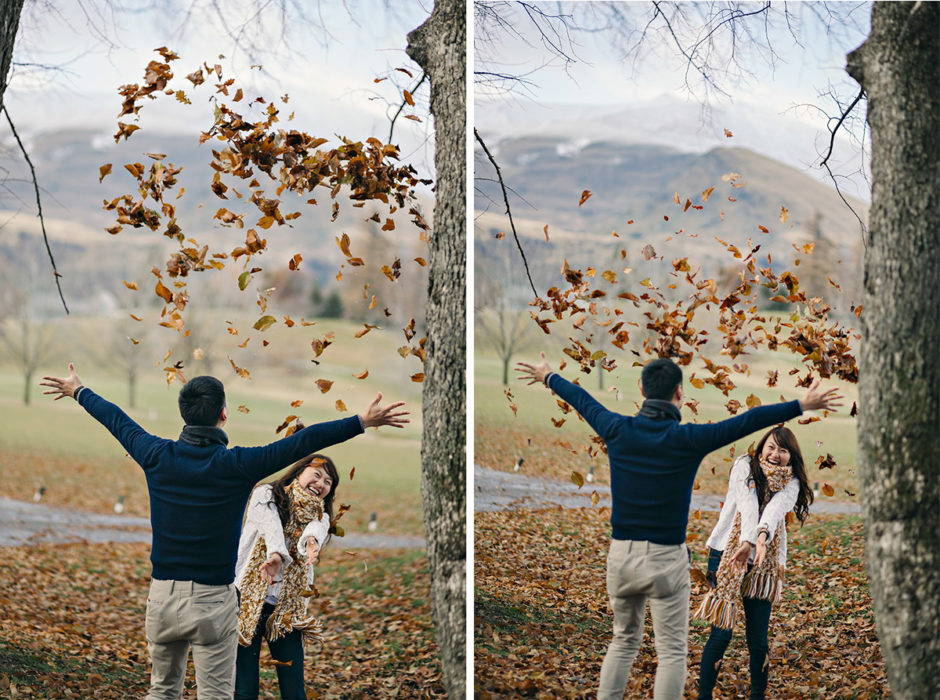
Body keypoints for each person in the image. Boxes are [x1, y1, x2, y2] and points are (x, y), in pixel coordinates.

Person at [40, 364, 408, 700]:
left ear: (184, 414)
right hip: (213, 602)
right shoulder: (238, 465)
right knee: (216, 695)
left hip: (163, 598)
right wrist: (362, 420)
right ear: (223, 414)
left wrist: (79, 390)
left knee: (162, 691)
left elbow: (117, 421)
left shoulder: (155, 454)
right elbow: (303, 442)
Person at [515, 354, 841, 700]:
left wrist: (548, 376)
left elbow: (582, 399)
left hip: (621, 558)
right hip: (666, 561)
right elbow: (746, 422)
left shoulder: (615, 428)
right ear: (680, 394)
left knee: (623, 641)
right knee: (671, 651)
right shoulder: (688, 439)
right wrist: (800, 404)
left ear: (641, 389)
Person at [694, 426, 812, 699]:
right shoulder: (744, 465)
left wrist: (760, 538)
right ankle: (704, 695)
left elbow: (774, 509)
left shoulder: (792, 483)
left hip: (762, 560)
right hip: (727, 553)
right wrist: (747, 541)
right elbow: (748, 504)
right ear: (761, 447)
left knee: (757, 640)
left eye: (783, 451)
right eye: (771, 447)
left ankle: (758, 695)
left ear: (791, 457)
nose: (775, 454)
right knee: (721, 635)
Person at [233, 452, 340, 699]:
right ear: (298, 472)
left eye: (328, 482)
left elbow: (315, 529)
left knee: (294, 691)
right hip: (246, 601)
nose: (321, 484)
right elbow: (270, 526)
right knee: (244, 690)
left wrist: (311, 542)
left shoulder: (320, 515)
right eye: (317, 475)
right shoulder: (265, 494)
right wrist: (277, 555)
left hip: (287, 610)